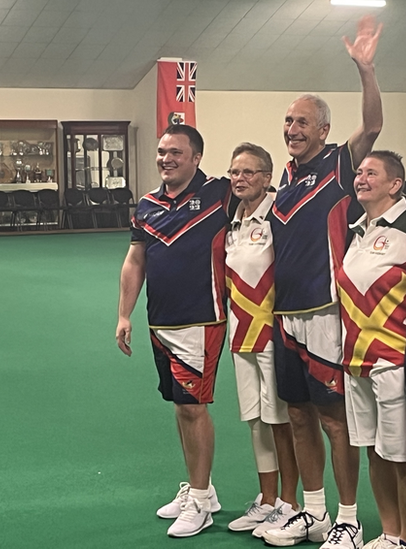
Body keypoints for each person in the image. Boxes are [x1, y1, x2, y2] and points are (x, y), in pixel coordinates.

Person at [262, 14, 383, 549]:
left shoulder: (338, 166)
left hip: (326, 313)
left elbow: (374, 127)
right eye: (288, 121)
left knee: (336, 421)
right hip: (284, 314)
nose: (292, 129)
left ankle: (349, 517)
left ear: (324, 131)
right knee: (298, 413)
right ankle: (310, 512)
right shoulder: (280, 179)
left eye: (302, 122)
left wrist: (366, 71)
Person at [115, 124, 230, 538]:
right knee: (180, 407)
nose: (166, 158)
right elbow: (135, 260)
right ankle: (202, 491)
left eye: (176, 153)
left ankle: (200, 502)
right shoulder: (147, 204)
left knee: (193, 408)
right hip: (158, 320)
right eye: (163, 152)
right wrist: (124, 314)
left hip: (202, 319)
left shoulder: (220, 194)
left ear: (196, 158)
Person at [336, 151, 406, 549]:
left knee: (402, 456)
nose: (361, 178)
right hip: (355, 359)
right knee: (373, 449)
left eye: (371, 173)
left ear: (395, 184)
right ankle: (389, 534)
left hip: (395, 360)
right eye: (358, 172)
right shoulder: (356, 230)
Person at [224, 142, 302, 536]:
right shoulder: (231, 218)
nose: (240, 179)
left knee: (279, 420)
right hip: (241, 334)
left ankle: (290, 502)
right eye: (235, 172)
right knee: (255, 421)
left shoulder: (278, 215)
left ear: (267, 178)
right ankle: (267, 499)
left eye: (248, 172)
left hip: (272, 334)